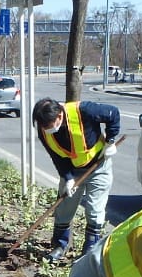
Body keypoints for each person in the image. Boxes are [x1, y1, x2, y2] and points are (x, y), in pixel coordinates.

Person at [32, 97, 122, 262]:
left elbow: (113, 113)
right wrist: (67, 178)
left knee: (95, 210)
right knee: (65, 207)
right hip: (73, 171)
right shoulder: (44, 131)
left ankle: (90, 250)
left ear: (59, 115)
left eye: (48, 125)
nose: (45, 129)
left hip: (99, 165)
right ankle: (59, 245)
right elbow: (56, 157)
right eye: (42, 125)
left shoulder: (85, 110)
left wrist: (110, 142)